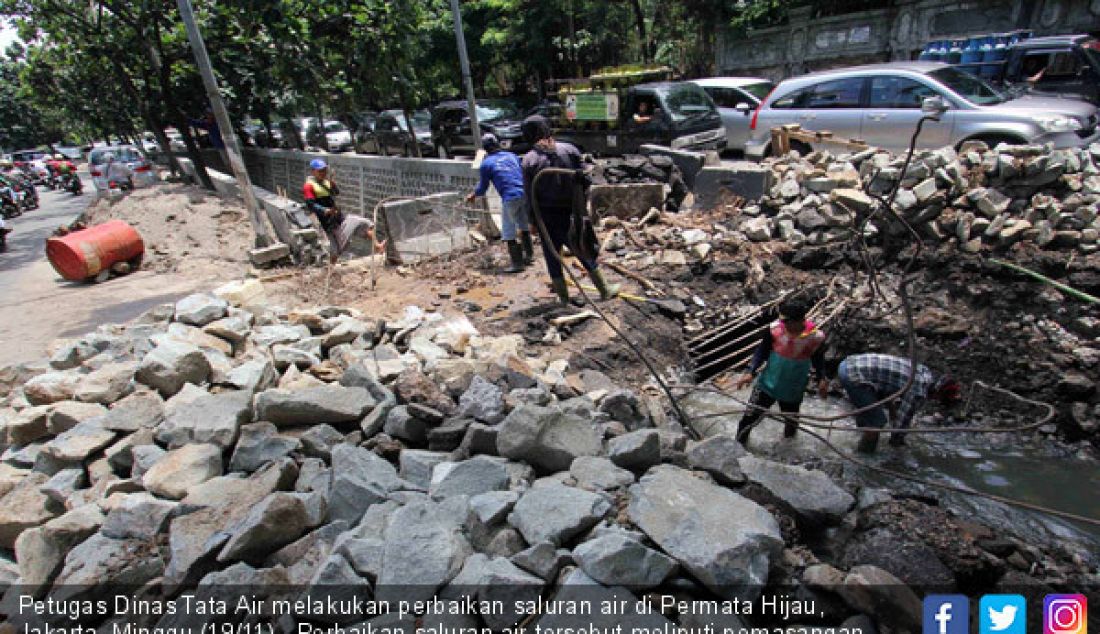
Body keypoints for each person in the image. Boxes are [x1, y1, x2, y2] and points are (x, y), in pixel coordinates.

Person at [520, 115, 619, 305]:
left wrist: (531, 221)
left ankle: (563, 298)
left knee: (552, 255)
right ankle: (604, 289)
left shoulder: (529, 161)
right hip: (571, 212)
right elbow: (586, 179)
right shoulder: (569, 149)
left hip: (545, 217)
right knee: (581, 247)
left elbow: (529, 197)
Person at [734, 296, 828, 443]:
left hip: (793, 388)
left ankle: (787, 451)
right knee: (748, 420)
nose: (782, 323)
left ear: (798, 321)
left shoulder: (815, 337)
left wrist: (822, 378)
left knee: (791, 422)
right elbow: (762, 351)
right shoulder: (775, 330)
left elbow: (818, 359)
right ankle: (738, 447)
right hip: (767, 384)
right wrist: (750, 371)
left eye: (786, 321)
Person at [837, 353, 961, 453]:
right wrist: (897, 448)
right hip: (854, 375)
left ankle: (860, 436)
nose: (936, 401)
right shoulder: (918, 390)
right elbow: (902, 424)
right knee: (877, 423)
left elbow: (888, 383)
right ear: (938, 394)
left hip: (850, 363)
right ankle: (864, 459)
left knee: (871, 412)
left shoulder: (925, 372)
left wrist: (892, 410)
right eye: (939, 399)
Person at [465, 133, 531, 273]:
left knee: (508, 231)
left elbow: (483, 188)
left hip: (510, 197)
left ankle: (517, 264)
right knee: (523, 224)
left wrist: (473, 195)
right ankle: (529, 256)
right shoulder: (512, 156)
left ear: (485, 149)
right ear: (497, 143)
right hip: (524, 193)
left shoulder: (486, 164)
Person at [303, 158, 383, 263]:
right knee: (335, 250)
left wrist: (332, 183)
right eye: (320, 171)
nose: (323, 173)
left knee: (364, 223)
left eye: (324, 170)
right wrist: (324, 210)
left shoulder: (326, 182)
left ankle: (378, 246)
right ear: (313, 171)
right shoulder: (308, 186)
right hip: (325, 223)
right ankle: (331, 270)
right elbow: (311, 204)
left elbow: (336, 192)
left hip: (338, 218)